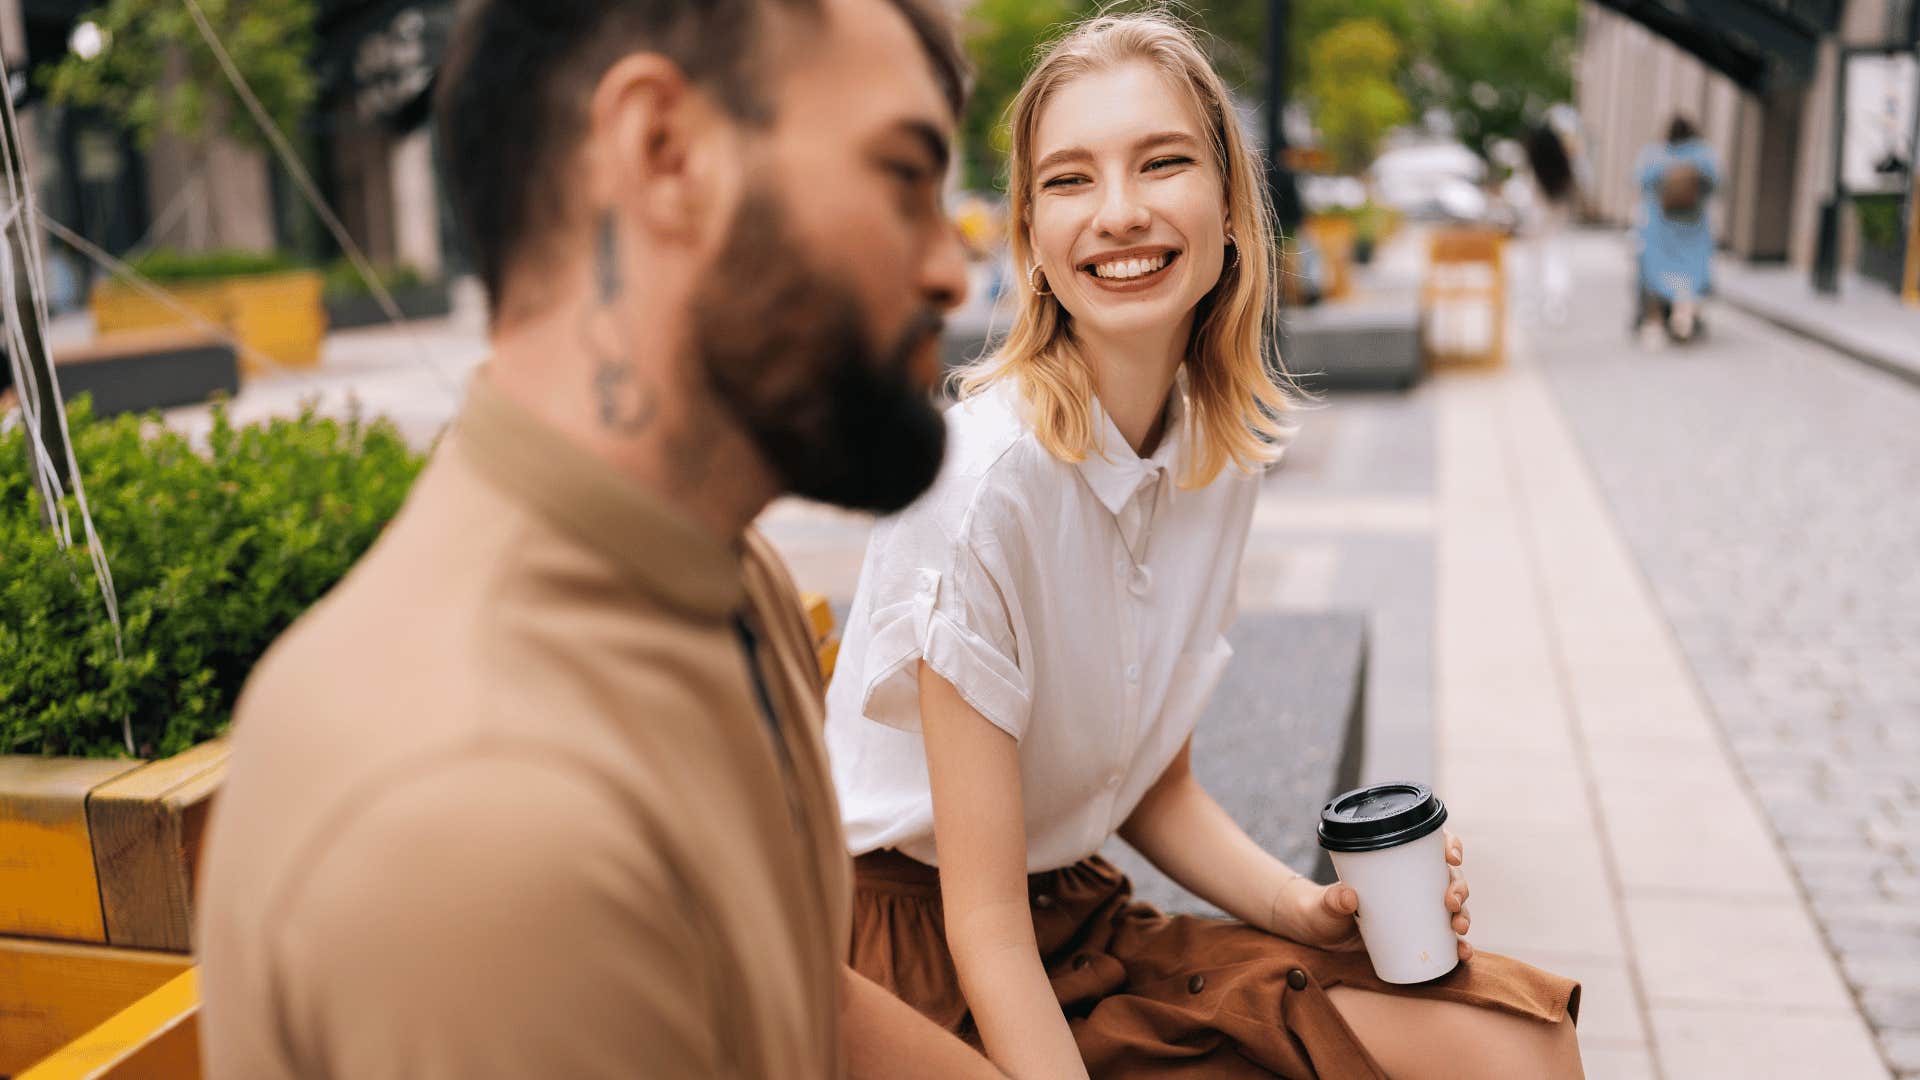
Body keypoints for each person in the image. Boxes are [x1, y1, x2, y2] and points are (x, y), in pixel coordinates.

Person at [196, 1, 1007, 1077]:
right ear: (665, 156)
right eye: (904, 177)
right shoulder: (481, 826)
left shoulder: (722, 568)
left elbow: (807, 1007)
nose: (951, 270)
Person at [823, 13, 1584, 1078]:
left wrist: (1304, 907)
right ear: (1032, 235)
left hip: (1076, 909)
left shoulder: (1209, 451)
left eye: (1162, 162)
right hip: (918, 957)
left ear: (1230, 208)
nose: (1119, 213)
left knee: (1517, 1043)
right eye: (1070, 180)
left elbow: (1151, 783)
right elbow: (984, 929)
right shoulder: (982, 487)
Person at [1634, 115, 1719, 343]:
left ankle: (1655, 322)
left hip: (1660, 228)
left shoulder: (1655, 153)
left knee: (1655, 273)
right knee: (1690, 277)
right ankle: (1685, 317)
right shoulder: (1703, 154)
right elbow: (1716, 183)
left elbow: (1639, 180)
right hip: (1694, 228)